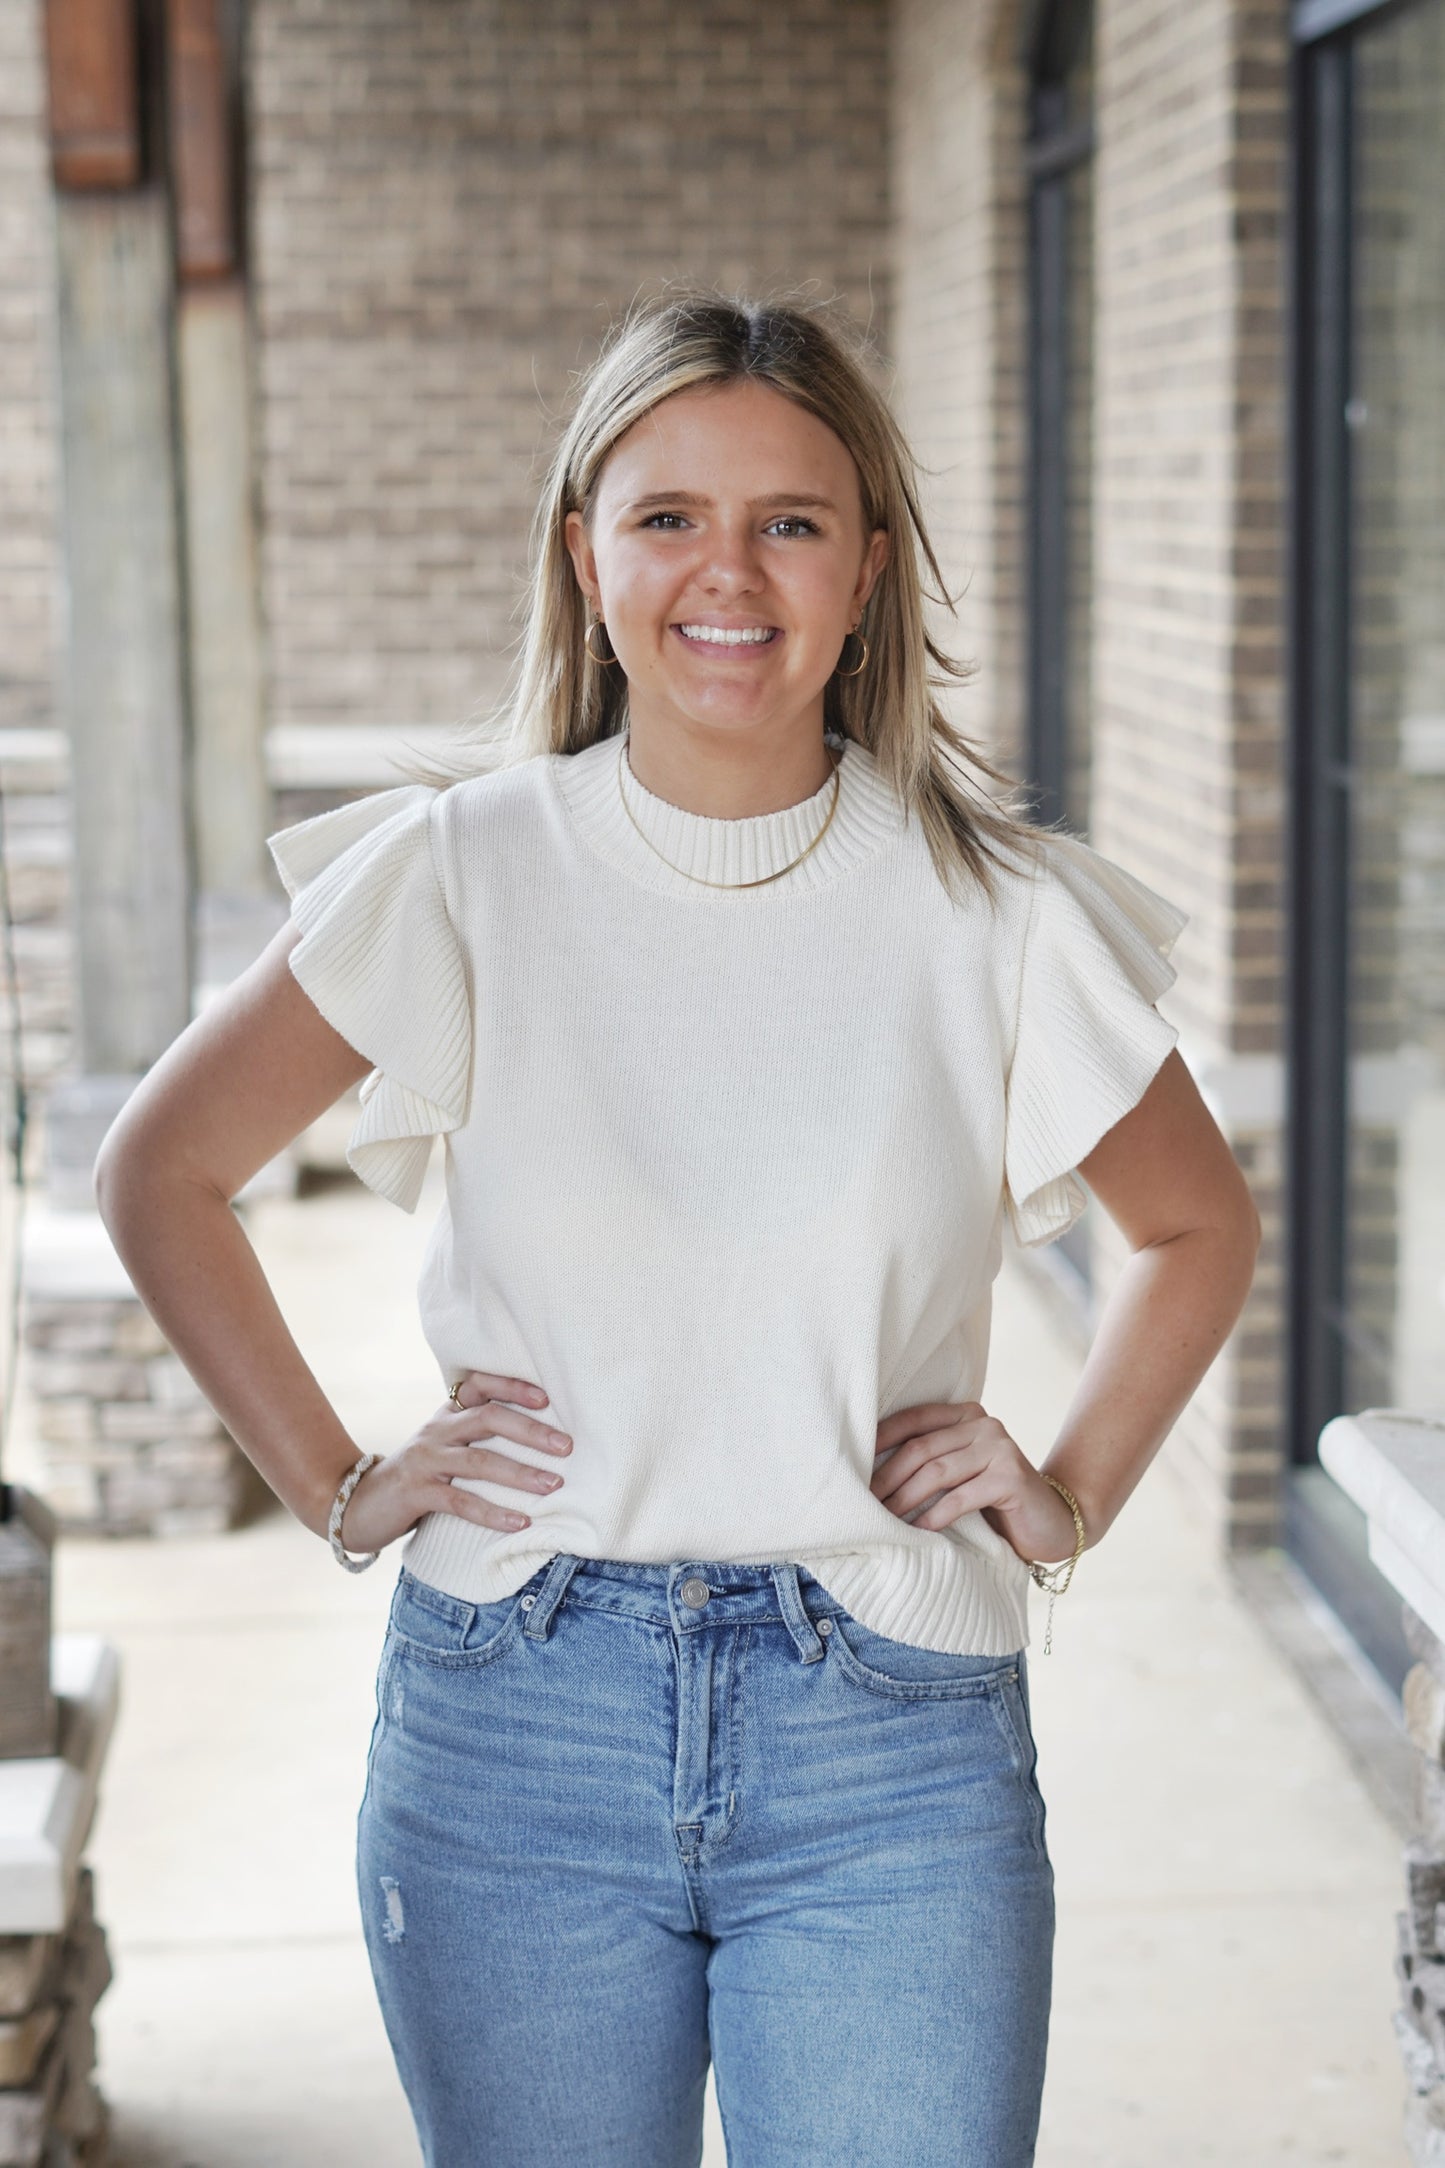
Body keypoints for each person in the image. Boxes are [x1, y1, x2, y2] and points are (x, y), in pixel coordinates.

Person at [95, 291, 1260, 2168]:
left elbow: (1197, 1227)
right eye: (667, 518)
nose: (730, 574)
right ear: (584, 555)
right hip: (513, 1728)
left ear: (868, 570)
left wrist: (1070, 1490)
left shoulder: (995, 916)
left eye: (789, 521)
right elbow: (160, 1172)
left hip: (889, 1740)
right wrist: (336, 1478)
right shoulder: (463, 871)